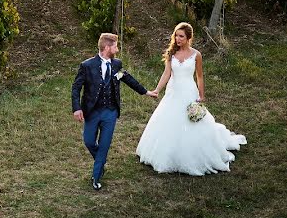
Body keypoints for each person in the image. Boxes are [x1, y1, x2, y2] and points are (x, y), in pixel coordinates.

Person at [135, 22, 247, 175]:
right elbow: (166, 74)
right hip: (173, 92)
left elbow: (199, 76)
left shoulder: (196, 55)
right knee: (169, 121)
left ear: (188, 38)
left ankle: (195, 153)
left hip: (189, 91)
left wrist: (201, 95)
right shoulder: (171, 53)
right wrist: (157, 90)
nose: (178, 38)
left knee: (193, 121)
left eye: (181, 36)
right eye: (176, 35)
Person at [72, 33, 158, 190]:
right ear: (106, 48)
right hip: (92, 111)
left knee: (104, 145)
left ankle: (96, 176)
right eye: (115, 46)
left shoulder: (116, 64)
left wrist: (145, 92)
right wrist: (77, 108)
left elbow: (127, 78)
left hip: (110, 112)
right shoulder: (87, 66)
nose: (117, 49)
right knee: (89, 141)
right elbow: (76, 87)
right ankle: (101, 161)